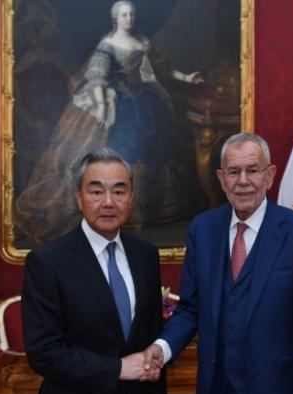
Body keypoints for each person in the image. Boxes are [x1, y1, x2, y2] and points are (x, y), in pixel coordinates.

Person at [144, 133, 293, 394]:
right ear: (221, 178)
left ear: (269, 175)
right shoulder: (203, 229)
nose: (243, 181)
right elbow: (190, 309)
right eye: (233, 171)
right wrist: (162, 348)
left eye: (252, 170)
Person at [14, 0, 203, 245]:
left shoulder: (143, 43)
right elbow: (97, 78)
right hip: (114, 98)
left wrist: (187, 77)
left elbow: (164, 69)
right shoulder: (107, 45)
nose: (129, 19)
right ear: (116, 18)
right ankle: (114, 206)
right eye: (124, 15)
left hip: (146, 100)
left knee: (157, 142)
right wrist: (103, 107)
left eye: (131, 15)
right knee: (121, 145)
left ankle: (155, 206)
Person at [22, 148, 167, 394]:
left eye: (119, 191)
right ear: (79, 197)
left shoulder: (145, 255)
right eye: (96, 191)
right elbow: (43, 352)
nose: (108, 202)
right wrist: (117, 368)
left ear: (131, 198)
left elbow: (152, 339)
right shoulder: (47, 262)